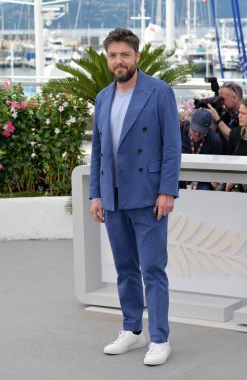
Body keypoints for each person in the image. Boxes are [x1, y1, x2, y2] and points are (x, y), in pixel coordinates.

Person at [89, 28, 181, 366]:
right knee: (125, 267)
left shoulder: (159, 92)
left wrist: (167, 191)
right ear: (108, 58)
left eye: (124, 54)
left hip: (148, 195)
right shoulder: (102, 97)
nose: (118, 61)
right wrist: (95, 195)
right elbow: (99, 151)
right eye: (113, 55)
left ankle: (159, 337)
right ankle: (132, 329)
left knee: (153, 269)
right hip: (112, 197)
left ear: (136, 57)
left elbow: (172, 146)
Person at [181, 108, 222, 190]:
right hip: (181, 173)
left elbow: (216, 165)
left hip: (204, 177)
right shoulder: (180, 132)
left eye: (201, 132)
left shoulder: (214, 140)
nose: (197, 134)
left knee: (204, 190)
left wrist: (214, 178)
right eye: (194, 130)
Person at [207, 81, 243, 151]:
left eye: (222, 99)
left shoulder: (244, 115)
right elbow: (211, 135)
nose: (221, 102)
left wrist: (217, 119)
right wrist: (213, 118)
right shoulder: (226, 113)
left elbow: (234, 139)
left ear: (235, 98)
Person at [224, 99, 247, 192]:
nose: (239, 116)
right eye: (239, 112)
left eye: (243, 113)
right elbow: (228, 158)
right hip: (233, 178)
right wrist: (229, 178)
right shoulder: (234, 133)